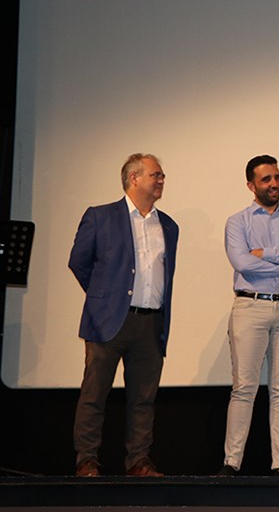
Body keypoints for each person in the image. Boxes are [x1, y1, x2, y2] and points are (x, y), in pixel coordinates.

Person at [69, 153, 179, 477]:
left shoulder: (168, 225)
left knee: (143, 398)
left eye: (161, 175)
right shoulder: (100, 216)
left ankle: (138, 461)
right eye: (155, 174)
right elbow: (79, 262)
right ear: (134, 178)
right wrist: (105, 299)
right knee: (94, 394)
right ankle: (87, 460)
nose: (161, 180)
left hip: (151, 322)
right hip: (108, 322)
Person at [217, 155, 279, 476]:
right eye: (266, 179)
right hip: (250, 307)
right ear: (251, 185)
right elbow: (242, 263)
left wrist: (268, 254)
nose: (274, 184)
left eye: (277, 177)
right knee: (244, 388)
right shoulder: (238, 221)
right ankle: (232, 463)